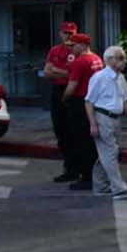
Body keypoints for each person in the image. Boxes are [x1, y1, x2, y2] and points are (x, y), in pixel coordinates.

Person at [85, 45, 127, 201]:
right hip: (103, 118)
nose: (124, 61)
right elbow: (88, 102)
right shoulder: (99, 77)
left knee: (107, 153)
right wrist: (93, 124)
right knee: (110, 153)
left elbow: (124, 100)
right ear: (109, 60)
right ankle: (118, 188)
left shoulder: (120, 77)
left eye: (124, 58)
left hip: (116, 119)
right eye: (120, 58)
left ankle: (101, 187)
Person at [62, 34, 104, 192]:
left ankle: (86, 176)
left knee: (82, 140)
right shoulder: (97, 59)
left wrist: (64, 99)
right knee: (93, 141)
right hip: (95, 102)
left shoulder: (79, 62)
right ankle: (95, 174)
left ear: (82, 45)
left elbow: (71, 87)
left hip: (81, 102)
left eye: (73, 45)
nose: (71, 48)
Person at [44, 21, 79, 182]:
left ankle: (78, 167)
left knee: (76, 131)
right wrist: (66, 73)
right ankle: (69, 167)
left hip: (75, 92)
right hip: (58, 91)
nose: (68, 36)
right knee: (61, 131)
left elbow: (76, 76)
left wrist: (58, 71)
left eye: (71, 33)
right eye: (65, 33)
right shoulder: (55, 50)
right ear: (60, 33)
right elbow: (47, 72)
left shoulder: (78, 51)